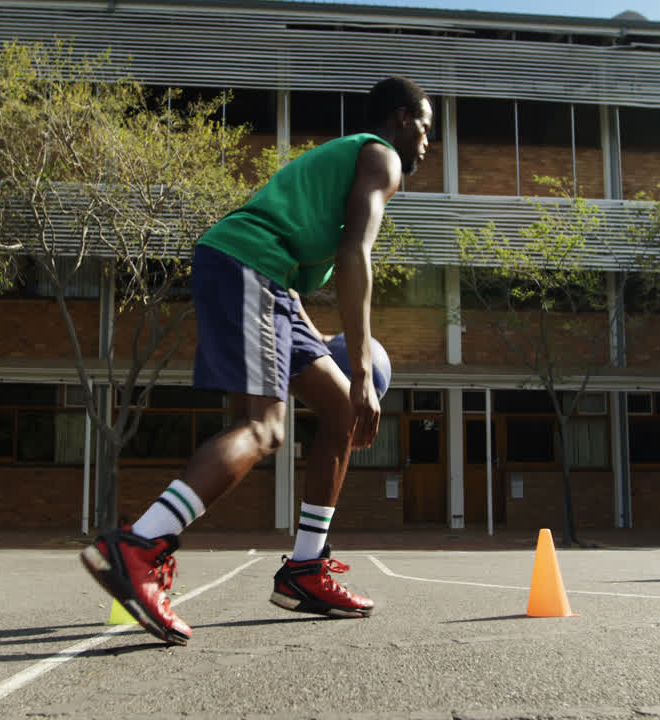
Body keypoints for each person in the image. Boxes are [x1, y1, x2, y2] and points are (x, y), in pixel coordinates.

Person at [81, 76, 433, 646]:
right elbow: (354, 257)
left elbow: (292, 276)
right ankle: (140, 545)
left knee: (341, 412)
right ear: (400, 118)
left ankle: (304, 569)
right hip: (247, 267)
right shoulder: (381, 156)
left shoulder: (340, 166)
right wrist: (362, 367)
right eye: (425, 126)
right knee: (264, 428)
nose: (427, 142)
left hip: (266, 280)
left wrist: (318, 343)